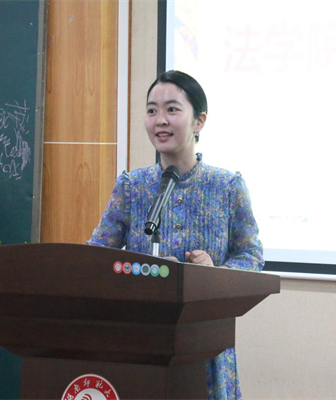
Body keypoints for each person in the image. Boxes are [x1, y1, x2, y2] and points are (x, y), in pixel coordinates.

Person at [88, 70, 263, 400]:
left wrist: (214, 275)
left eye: (172, 109)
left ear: (199, 121)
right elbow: (96, 257)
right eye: (152, 110)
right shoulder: (132, 186)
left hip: (207, 347)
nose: (160, 120)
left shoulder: (227, 187)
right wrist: (145, 270)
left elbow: (251, 257)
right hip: (141, 341)